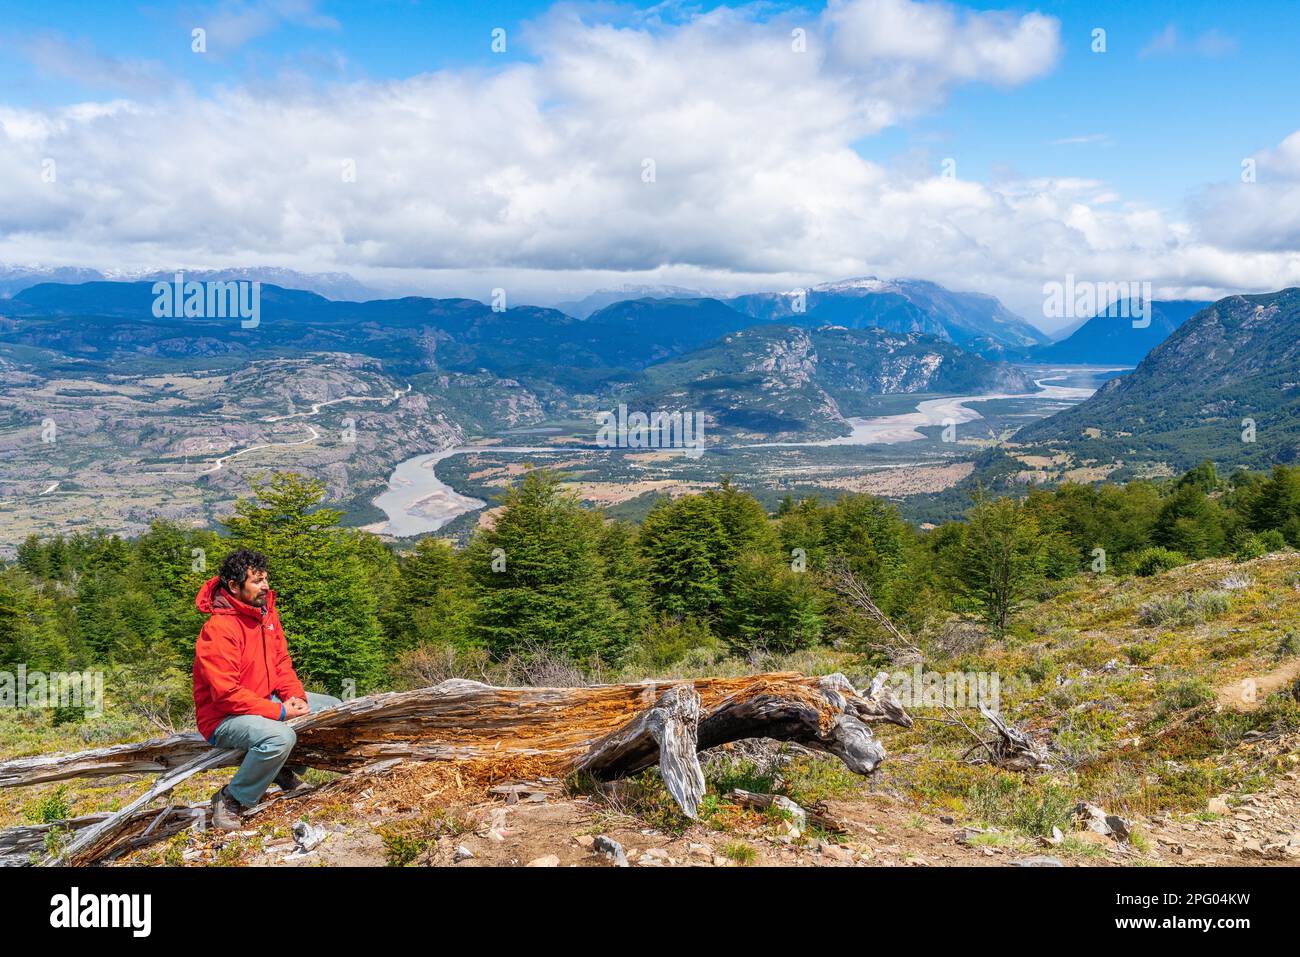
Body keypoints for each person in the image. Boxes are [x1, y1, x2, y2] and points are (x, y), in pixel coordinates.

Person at [193, 548, 341, 830]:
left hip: (264, 701)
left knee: (331, 706)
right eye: (257, 581)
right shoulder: (219, 628)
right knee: (279, 737)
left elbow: (281, 663)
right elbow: (226, 696)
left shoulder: (266, 615)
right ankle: (231, 798)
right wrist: (282, 711)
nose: (266, 586)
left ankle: (283, 771)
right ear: (234, 587)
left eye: (265, 579)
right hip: (223, 718)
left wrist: (294, 697)